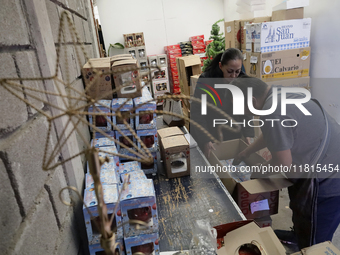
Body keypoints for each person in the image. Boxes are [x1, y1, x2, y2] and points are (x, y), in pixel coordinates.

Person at [231, 76, 340, 249]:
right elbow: (275, 136)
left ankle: (308, 245)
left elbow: (283, 164)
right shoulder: (278, 93)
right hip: (326, 156)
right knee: (302, 215)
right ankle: (299, 235)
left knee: (316, 240)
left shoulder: (272, 111)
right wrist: (247, 151)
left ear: (251, 100)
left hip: (328, 179)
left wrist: (259, 173)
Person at [190, 48, 254, 157]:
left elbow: (246, 110)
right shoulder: (207, 80)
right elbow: (197, 113)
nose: (233, 76)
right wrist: (205, 140)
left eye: (237, 71)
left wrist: (248, 134)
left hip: (232, 130)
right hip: (209, 130)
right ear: (220, 66)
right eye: (230, 71)